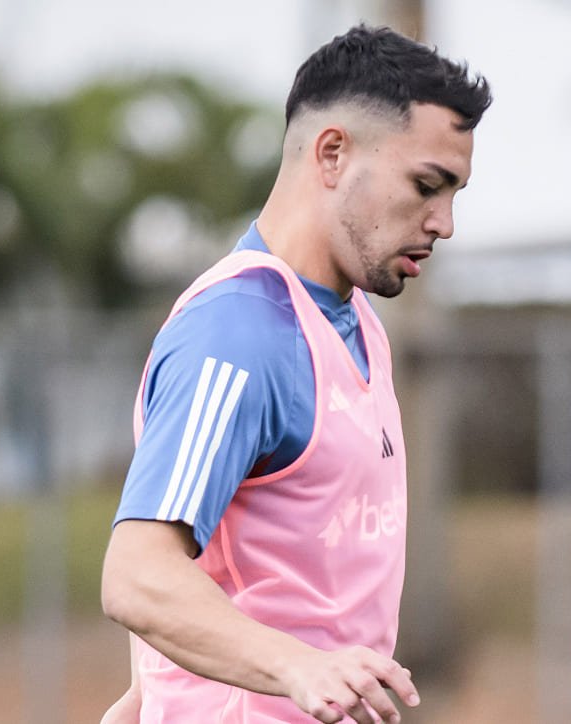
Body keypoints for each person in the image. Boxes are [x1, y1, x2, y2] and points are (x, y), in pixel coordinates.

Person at [99, 24, 491, 724]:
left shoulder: (358, 319)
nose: (445, 222)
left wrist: (144, 687)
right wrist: (298, 666)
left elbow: (214, 541)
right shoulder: (239, 333)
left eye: (454, 192)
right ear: (333, 153)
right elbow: (137, 574)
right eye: (427, 186)